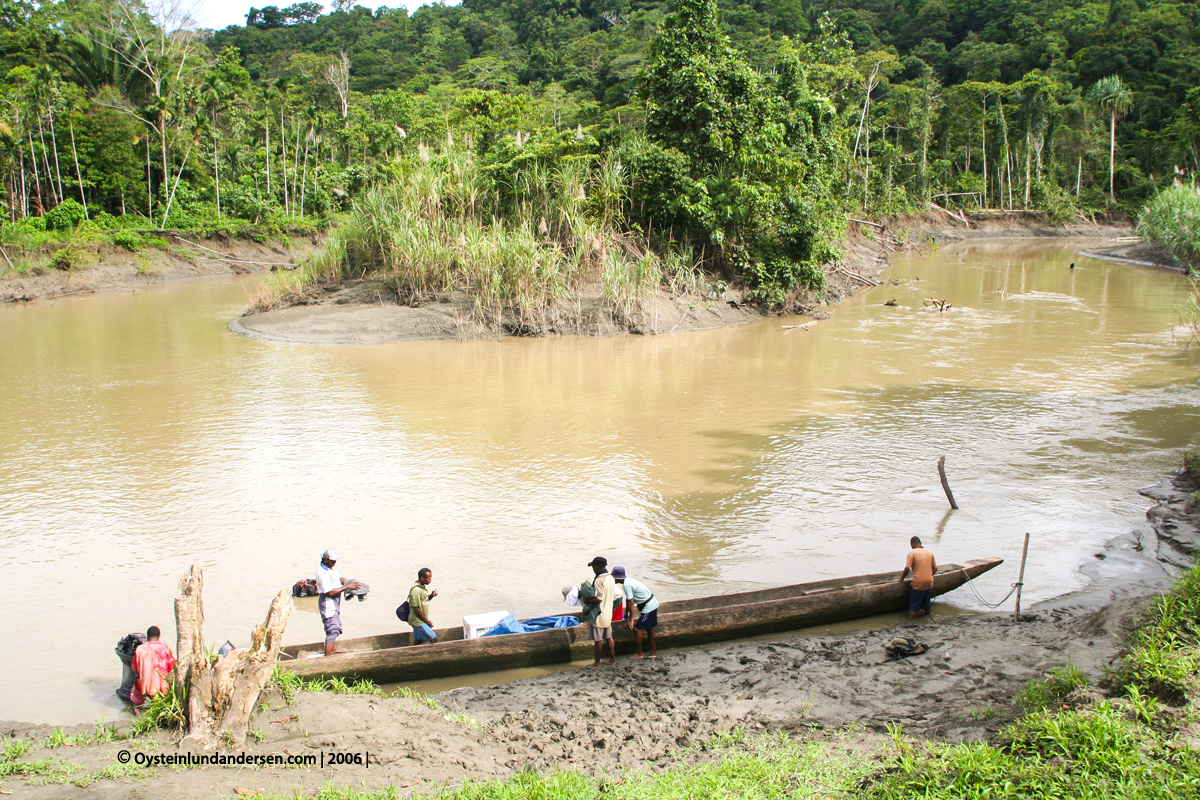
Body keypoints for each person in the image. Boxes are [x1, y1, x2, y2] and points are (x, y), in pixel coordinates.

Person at [316, 548, 362, 656]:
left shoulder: (332, 568)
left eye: (335, 560)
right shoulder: (323, 573)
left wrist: (349, 582)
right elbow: (329, 592)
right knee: (333, 628)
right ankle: (328, 656)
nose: (334, 562)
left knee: (335, 622)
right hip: (328, 601)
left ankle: (332, 648)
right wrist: (347, 587)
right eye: (332, 560)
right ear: (325, 560)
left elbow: (339, 578)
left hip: (335, 600)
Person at [613, 567, 659, 659]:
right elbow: (628, 599)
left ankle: (639, 653)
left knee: (637, 629)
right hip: (652, 602)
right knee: (649, 628)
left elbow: (631, 602)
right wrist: (626, 613)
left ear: (617, 578)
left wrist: (631, 620)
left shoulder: (627, 585)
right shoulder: (628, 581)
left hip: (649, 606)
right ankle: (653, 651)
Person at [581, 556, 617, 666]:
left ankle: (597, 663)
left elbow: (599, 598)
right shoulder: (610, 577)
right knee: (609, 638)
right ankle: (612, 660)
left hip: (599, 614)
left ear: (597, 567)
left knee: (598, 640)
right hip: (608, 613)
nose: (592, 569)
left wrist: (587, 600)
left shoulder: (599, 580)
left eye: (593, 567)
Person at [129, 626, 175, 709]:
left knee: (135, 696)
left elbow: (134, 667)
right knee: (162, 694)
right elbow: (171, 666)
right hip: (160, 684)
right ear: (159, 636)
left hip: (144, 683)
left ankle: (137, 714)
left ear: (147, 636)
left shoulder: (140, 649)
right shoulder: (165, 648)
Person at [898, 536, 938, 620]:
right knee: (927, 603)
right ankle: (927, 618)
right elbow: (935, 569)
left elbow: (907, 569)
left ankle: (910, 620)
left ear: (912, 544)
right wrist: (929, 575)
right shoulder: (929, 552)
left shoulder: (912, 553)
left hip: (918, 583)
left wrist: (901, 579)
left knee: (914, 605)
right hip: (929, 582)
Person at [407, 568, 439, 644]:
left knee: (418, 641)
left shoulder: (423, 587)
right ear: (422, 578)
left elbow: (424, 600)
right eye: (429, 578)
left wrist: (431, 595)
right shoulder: (416, 590)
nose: (430, 580)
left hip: (420, 620)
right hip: (417, 621)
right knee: (434, 639)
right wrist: (427, 622)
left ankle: (413, 654)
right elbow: (416, 609)